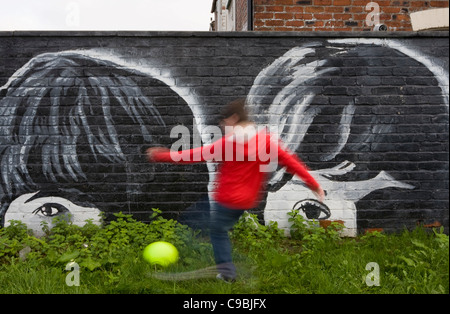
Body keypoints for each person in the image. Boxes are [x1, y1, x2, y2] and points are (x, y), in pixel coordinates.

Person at [147, 98, 325, 282]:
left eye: (224, 123)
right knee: (216, 228)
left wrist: (160, 155)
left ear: (234, 118)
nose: (223, 126)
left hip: (226, 199)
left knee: (202, 226)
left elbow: (192, 155)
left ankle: (225, 272)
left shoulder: (228, 143)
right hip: (246, 201)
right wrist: (314, 184)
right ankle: (218, 263)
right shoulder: (265, 142)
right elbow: (291, 162)